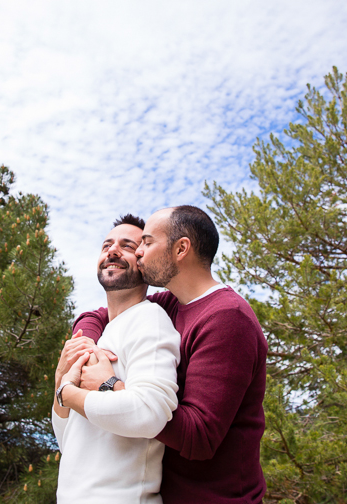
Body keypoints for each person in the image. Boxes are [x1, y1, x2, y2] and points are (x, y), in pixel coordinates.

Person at [74, 205, 268, 504]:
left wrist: (111, 385)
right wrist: (84, 343)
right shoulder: (172, 303)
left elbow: (200, 437)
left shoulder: (228, 318)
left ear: (181, 249)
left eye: (147, 243)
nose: (139, 253)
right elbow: (99, 312)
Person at [52, 214, 181, 504]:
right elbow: (68, 439)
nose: (112, 251)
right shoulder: (97, 336)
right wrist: (60, 387)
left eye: (126, 246)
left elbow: (151, 414)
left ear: (143, 261)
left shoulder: (151, 321)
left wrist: (68, 393)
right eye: (106, 245)